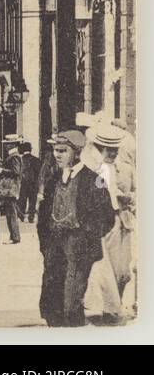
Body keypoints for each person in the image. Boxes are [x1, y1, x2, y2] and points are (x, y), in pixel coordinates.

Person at [37, 129, 115, 327]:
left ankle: (73, 326)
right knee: (52, 284)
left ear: (76, 153)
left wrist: (88, 236)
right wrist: (45, 241)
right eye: (55, 150)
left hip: (79, 242)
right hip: (55, 241)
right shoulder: (53, 179)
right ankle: (54, 323)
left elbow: (107, 217)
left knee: (73, 293)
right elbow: (44, 213)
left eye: (62, 151)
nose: (57, 155)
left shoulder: (95, 179)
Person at [86, 124, 136, 323]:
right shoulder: (96, 171)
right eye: (109, 150)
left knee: (123, 271)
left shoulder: (123, 168)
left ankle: (114, 306)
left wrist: (128, 198)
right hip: (103, 225)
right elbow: (95, 198)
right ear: (100, 149)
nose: (114, 154)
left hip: (122, 221)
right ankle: (109, 310)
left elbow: (136, 191)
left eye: (116, 150)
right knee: (104, 271)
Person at [0, 141, 22, 244]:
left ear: (13, 145)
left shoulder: (14, 157)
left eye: (8, 144)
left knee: (11, 213)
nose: (6, 146)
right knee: (11, 212)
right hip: (11, 188)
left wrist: (2, 170)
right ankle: (13, 236)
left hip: (11, 188)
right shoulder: (14, 156)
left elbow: (16, 172)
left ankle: (15, 237)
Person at [18, 142, 41, 224]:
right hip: (33, 183)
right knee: (32, 200)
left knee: (22, 199)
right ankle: (31, 217)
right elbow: (39, 173)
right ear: (30, 149)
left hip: (23, 183)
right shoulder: (36, 160)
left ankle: (21, 216)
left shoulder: (20, 160)